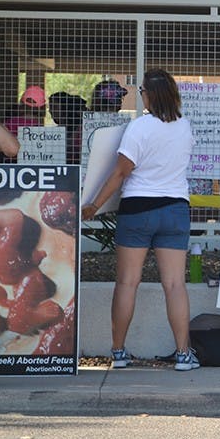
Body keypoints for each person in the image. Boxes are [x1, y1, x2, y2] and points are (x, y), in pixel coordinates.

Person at [81, 69, 199, 372]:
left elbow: (121, 172)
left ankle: (118, 352)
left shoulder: (140, 128)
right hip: (175, 210)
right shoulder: (184, 127)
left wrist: (94, 204)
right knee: (175, 285)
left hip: (138, 209)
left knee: (127, 282)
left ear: (148, 94)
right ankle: (184, 354)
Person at [48, 92, 88, 164]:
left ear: (64, 108)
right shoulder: (56, 132)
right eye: (50, 108)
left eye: (54, 107)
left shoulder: (81, 130)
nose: (50, 111)